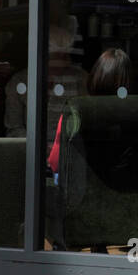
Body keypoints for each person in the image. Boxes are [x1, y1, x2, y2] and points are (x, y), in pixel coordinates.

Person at [47, 47, 131, 180]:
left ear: (94, 77)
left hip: (81, 191)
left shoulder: (74, 113)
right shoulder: (133, 117)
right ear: (128, 84)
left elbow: (55, 163)